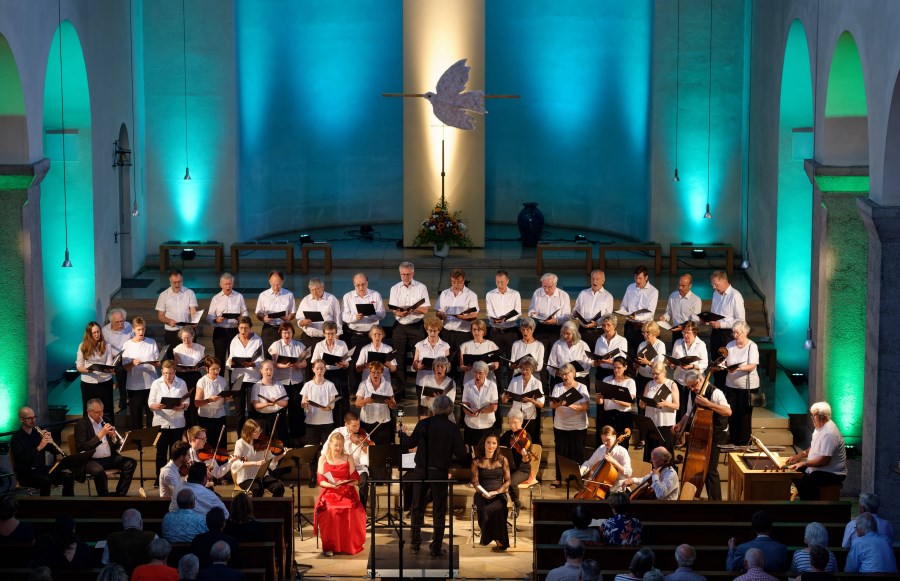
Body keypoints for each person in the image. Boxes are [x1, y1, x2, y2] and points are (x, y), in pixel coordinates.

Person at [400, 394, 469, 558]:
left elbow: (410, 444)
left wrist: (401, 434)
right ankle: (436, 548)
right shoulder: (452, 428)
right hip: (439, 473)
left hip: (421, 471)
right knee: (439, 510)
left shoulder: (423, 423)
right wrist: (465, 449)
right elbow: (460, 454)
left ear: (434, 408)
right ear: (450, 409)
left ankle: (415, 544)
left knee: (417, 508)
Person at [671, 370, 731, 499]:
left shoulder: (715, 392)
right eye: (689, 387)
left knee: (710, 470)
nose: (692, 389)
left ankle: (716, 502)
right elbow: (688, 413)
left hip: (716, 434)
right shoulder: (692, 394)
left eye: (693, 385)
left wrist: (708, 404)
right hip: (701, 433)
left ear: (700, 380)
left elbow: (728, 411)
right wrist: (680, 424)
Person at [315, 432, 366, 556]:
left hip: (347, 492)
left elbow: (355, 479)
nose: (338, 448)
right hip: (329, 492)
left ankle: (348, 545)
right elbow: (321, 481)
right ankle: (330, 546)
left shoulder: (348, 457)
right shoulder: (323, 458)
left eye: (341, 446)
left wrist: (346, 482)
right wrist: (332, 485)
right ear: (330, 445)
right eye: (336, 445)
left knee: (349, 508)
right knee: (330, 510)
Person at [74, 398, 136, 496]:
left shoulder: (107, 420)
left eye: (102, 411)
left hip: (109, 458)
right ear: (89, 412)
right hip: (91, 460)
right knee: (98, 471)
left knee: (130, 463)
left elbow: (115, 446)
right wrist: (100, 435)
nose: (100, 415)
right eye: (97, 412)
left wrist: (114, 437)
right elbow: (82, 447)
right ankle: (104, 498)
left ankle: (119, 496)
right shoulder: (81, 424)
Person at [786, 401, 847, 500]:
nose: (812, 419)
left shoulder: (829, 433)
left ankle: (813, 507)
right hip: (820, 469)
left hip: (832, 473)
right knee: (793, 471)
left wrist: (803, 463)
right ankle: (806, 500)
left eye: (814, 416)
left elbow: (824, 460)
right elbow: (814, 447)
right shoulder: (820, 427)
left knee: (805, 482)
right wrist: (799, 456)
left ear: (823, 416)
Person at [10, 406, 74, 496]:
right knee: (45, 481)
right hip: (26, 473)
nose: (33, 420)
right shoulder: (16, 438)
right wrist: (39, 447)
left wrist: (51, 441)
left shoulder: (37, 433)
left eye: (34, 417)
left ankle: (67, 505)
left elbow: (55, 452)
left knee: (68, 477)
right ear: (21, 419)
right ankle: (44, 508)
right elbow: (22, 460)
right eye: (29, 418)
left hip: (41, 469)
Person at [388, 261, 430, 394]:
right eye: (403, 274)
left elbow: (425, 309)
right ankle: (400, 390)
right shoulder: (395, 288)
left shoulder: (421, 287)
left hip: (416, 326)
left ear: (413, 273)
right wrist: (399, 312)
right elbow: (393, 309)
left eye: (408, 274)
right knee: (398, 358)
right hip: (400, 326)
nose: (405, 277)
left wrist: (413, 309)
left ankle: (422, 390)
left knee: (419, 358)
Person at [341, 272, 385, 389]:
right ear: (354, 285)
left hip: (372, 336)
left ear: (367, 283)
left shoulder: (375, 295)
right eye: (358, 285)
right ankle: (355, 390)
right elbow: (344, 317)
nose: (361, 288)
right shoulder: (348, 297)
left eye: (363, 284)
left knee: (373, 363)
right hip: (355, 335)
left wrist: (371, 315)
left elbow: (382, 313)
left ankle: (375, 388)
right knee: (356, 363)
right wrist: (355, 317)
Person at [548, 363, 590, 488]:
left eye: (567, 374)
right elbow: (552, 405)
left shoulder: (582, 387)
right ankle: (559, 478)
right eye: (562, 375)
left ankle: (579, 478)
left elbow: (585, 407)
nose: (565, 377)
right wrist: (558, 404)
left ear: (573, 373)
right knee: (560, 452)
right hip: (561, 425)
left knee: (578, 453)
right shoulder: (557, 387)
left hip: (578, 426)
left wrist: (568, 405)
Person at [719, 320, 759, 445]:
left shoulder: (752, 346)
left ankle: (743, 443)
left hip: (747, 387)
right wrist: (722, 365)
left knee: (744, 416)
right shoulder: (730, 344)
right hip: (731, 385)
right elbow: (725, 360)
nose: (735, 335)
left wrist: (738, 368)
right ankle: (731, 440)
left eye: (737, 333)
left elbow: (752, 365)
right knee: (731, 414)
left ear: (745, 333)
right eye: (734, 333)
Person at [149, 360, 189, 484]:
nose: (168, 376)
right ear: (162, 371)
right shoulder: (156, 383)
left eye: (171, 373)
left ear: (174, 371)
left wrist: (181, 406)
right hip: (161, 423)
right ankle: (159, 479)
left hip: (177, 423)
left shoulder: (181, 383)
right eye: (165, 373)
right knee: (160, 452)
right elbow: (150, 403)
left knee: (176, 453)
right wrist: (157, 406)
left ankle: (176, 477)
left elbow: (187, 401)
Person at [301, 359, 339, 483]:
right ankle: (313, 476)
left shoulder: (330, 385)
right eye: (317, 368)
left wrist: (327, 407)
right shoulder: (308, 385)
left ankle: (328, 477)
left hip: (326, 422)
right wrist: (305, 404)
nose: (319, 371)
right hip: (311, 423)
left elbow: (332, 404)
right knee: (313, 452)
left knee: (327, 451)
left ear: (325, 370)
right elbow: (303, 403)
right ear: (313, 369)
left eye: (322, 368)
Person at [269, 322, 308, 445]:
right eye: (284, 332)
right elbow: (274, 363)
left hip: (296, 381)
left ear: (292, 333)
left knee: (296, 410)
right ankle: (283, 440)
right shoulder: (276, 345)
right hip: (281, 382)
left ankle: (298, 437)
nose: (287, 335)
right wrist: (283, 366)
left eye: (289, 332)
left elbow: (305, 363)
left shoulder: (299, 345)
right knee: (281, 411)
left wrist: (298, 365)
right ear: (281, 333)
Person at [471, 433, 511, 551]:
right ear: (484, 443)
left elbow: (508, 481)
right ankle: (493, 537)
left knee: (497, 509)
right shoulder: (476, 461)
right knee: (485, 509)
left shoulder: (503, 460)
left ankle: (499, 538)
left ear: (497, 445)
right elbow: (475, 481)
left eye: (494, 443)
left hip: (498, 494)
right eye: (488, 442)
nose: (490, 445)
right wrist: (482, 493)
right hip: (481, 494)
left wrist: (497, 492)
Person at [435, 268, 480, 367]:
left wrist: (461, 316)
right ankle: (449, 381)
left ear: (463, 281)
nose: (455, 284)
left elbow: (474, 315)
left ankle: (462, 382)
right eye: (453, 282)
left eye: (458, 282)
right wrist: (440, 315)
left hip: (462, 333)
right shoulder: (445, 293)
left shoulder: (471, 295)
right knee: (447, 361)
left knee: (462, 361)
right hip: (447, 332)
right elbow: (438, 311)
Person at [708, 270, 746, 386]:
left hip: (728, 334)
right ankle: (717, 390)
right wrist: (709, 319)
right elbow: (715, 312)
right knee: (716, 363)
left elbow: (741, 321)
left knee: (726, 364)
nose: (714, 287)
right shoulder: (716, 294)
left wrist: (722, 324)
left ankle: (727, 393)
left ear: (725, 281)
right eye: (713, 285)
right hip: (716, 333)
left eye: (716, 285)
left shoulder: (735, 296)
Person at [122, 316, 160, 428]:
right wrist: (132, 363)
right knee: (135, 416)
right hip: (134, 386)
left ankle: (151, 440)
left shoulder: (151, 342)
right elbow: (125, 368)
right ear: (133, 330)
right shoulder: (127, 345)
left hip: (151, 384)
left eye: (143, 329)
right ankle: (137, 440)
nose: (141, 332)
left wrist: (155, 363)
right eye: (138, 329)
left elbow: (158, 363)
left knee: (151, 415)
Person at [486, 269, 522, 390]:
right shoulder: (490, 294)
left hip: (511, 331)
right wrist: (494, 319)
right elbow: (489, 312)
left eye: (502, 282)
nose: (499, 285)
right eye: (497, 282)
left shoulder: (515, 294)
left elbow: (517, 312)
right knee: (496, 361)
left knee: (513, 361)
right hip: (495, 332)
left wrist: (505, 319)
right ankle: (497, 388)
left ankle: (512, 389)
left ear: (507, 281)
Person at [231, 419, 286, 497]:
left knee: (279, 487)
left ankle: (275, 508)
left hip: (262, 476)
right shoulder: (240, 443)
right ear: (248, 432)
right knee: (257, 489)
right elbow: (236, 463)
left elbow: (271, 461)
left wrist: (282, 455)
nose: (259, 434)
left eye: (260, 430)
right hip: (246, 478)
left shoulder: (263, 443)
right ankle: (256, 509)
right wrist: (256, 463)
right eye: (256, 432)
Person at [329, 412, 372, 509]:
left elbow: (365, 459)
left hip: (358, 468)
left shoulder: (363, 435)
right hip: (340, 466)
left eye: (358, 425)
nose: (357, 428)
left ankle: (362, 509)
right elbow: (326, 450)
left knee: (364, 481)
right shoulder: (337, 432)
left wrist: (364, 449)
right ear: (346, 424)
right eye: (354, 426)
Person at [206, 272, 248, 371]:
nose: (228, 286)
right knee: (219, 359)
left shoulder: (239, 297)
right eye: (225, 284)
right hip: (220, 331)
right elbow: (209, 317)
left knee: (233, 359)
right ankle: (219, 384)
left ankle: (232, 384)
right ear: (220, 284)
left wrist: (241, 319)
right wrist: (216, 320)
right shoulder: (216, 298)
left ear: (232, 284)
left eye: (229, 283)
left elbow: (245, 313)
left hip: (234, 331)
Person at [227, 315, 263, 429]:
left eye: (246, 328)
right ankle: (240, 438)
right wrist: (230, 363)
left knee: (252, 410)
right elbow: (229, 359)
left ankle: (253, 437)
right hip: (238, 378)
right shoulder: (234, 340)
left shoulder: (257, 340)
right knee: (239, 411)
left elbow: (261, 360)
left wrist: (253, 364)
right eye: (241, 327)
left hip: (253, 378)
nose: (243, 330)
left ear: (250, 328)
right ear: (238, 327)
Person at [499, 410, 541, 506]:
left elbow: (526, 460)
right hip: (508, 468)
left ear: (521, 422)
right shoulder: (507, 434)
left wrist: (524, 456)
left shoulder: (526, 437)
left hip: (522, 469)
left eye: (515, 423)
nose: (512, 425)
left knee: (511, 481)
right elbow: (498, 445)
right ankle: (501, 502)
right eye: (510, 422)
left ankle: (516, 504)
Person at [638, 362, 679, 460]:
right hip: (652, 423)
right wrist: (642, 403)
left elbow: (677, 406)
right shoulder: (649, 384)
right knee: (652, 451)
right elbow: (642, 405)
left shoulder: (671, 384)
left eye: (656, 374)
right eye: (652, 374)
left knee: (665, 452)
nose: (654, 376)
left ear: (664, 372)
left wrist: (665, 404)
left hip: (665, 423)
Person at [311, 321, 350, 420]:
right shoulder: (319, 345)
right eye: (328, 333)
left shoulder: (342, 344)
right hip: (325, 375)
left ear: (336, 332)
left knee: (340, 402)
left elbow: (347, 363)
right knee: (327, 401)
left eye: (332, 333)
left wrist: (344, 364)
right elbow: (314, 362)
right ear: (324, 333)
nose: (330, 336)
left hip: (339, 374)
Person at [668, 320, 708, 418]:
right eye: (684, 332)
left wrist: (693, 366)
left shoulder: (701, 344)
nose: (685, 335)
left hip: (693, 383)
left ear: (694, 332)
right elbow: (673, 360)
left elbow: (704, 364)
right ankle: (678, 430)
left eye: (688, 333)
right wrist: (671, 364)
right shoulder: (678, 342)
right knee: (679, 409)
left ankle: (689, 431)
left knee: (690, 410)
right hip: (679, 380)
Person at [502, 356, 544, 445]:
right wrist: (504, 399)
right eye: (522, 369)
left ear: (532, 370)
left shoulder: (537, 383)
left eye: (527, 370)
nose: (524, 372)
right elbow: (506, 397)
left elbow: (541, 404)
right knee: (516, 441)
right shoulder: (515, 380)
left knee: (529, 440)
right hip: (516, 416)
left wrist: (532, 401)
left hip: (529, 417)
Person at [76, 321, 115, 416]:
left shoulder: (107, 345)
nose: (97, 334)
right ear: (89, 334)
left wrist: (108, 369)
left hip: (105, 381)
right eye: (94, 333)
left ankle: (107, 430)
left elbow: (109, 363)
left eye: (98, 331)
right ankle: (90, 430)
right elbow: (79, 366)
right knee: (90, 411)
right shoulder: (82, 346)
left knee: (107, 410)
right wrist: (87, 370)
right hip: (89, 382)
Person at [595, 356, 635, 449]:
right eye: (614, 367)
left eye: (619, 368)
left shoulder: (630, 382)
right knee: (608, 444)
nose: (616, 370)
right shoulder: (607, 380)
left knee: (622, 445)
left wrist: (614, 399)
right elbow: (601, 402)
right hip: (608, 415)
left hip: (623, 416)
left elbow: (628, 403)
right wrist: (598, 399)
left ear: (625, 367)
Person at [529, 273, 572, 359]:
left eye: (549, 287)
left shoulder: (563, 295)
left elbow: (567, 316)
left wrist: (556, 320)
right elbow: (531, 308)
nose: (546, 289)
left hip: (557, 329)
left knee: (555, 356)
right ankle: (542, 372)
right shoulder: (537, 292)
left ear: (555, 284)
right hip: (541, 328)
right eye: (544, 286)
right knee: (540, 356)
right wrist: (532, 313)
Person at [619, 266, 658, 359]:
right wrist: (623, 312)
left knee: (642, 355)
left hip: (644, 328)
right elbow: (623, 305)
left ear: (646, 277)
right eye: (636, 278)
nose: (637, 281)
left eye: (640, 278)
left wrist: (636, 318)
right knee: (629, 353)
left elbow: (650, 313)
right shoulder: (630, 287)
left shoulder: (653, 291)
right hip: (630, 325)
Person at [296, 277, 342, 355]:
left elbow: (338, 319)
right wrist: (302, 322)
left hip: (326, 338)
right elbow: (299, 318)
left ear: (323, 287)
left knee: (324, 364)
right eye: (312, 290)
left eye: (317, 289)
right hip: (309, 339)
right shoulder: (305, 300)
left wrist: (337, 336)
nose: (314, 292)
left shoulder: (331, 299)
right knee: (308, 363)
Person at [580, 425, 632, 494]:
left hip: (617, 488)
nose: (605, 443)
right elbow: (589, 463)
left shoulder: (622, 451)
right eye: (603, 440)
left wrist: (614, 462)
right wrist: (581, 470)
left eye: (608, 440)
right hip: (600, 486)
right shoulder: (601, 449)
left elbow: (628, 473)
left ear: (614, 437)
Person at [255, 269, 296, 357]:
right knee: (268, 355)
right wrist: (263, 318)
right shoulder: (263, 295)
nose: (275, 287)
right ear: (269, 282)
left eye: (278, 284)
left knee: (284, 355)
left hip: (284, 328)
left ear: (282, 282)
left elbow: (293, 313)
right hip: (268, 329)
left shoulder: (289, 295)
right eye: (273, 284)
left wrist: (289, 318)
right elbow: (258, 313)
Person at [355, 361, 396, 445]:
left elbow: (394, 405)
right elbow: (357, 404)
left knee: (383, 449)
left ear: (382, 373)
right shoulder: (363, 385)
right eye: (373, 372)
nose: (375, 375)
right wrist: (365, 401)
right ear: (370, 372)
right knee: (368, 449)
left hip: (383, 423)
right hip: (367, 423)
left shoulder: (387, 385)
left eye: (378, 372)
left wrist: (390, 403)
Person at [156, 269, 199, 349]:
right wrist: (168, 321)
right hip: (172, 332)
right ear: (170, 281)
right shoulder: (163, 295)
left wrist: (194, 320)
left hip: (188, 330)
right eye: (174, 282)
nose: (177, 284)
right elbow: (160, 315)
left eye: (179, 281)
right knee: (172, 358)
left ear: (182, 280)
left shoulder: (189, 293)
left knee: (191, 357)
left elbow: (193, 310)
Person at [573, 269, 614, 351]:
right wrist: (574, 314)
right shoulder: (583, 293)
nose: (594, 281)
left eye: (597, 279)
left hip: (598, 332)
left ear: (603, 281)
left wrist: (596, 323)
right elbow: (576, 309)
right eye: (593, 279)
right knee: (581, 354)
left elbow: (608, 317)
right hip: (583, 331)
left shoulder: (608, 296)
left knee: (596, 355)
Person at [102, 307, 133, 414]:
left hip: (128, 355)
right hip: (114, 357)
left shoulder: (129, 326)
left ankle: (138, 395)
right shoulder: (105, 331)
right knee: (120, 370)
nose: (121, 324)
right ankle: (123, 397)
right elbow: (105, 349)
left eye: (122, 321)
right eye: (117, 322)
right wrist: (114, 355)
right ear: (111, 322)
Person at [250, 359, 289, 442]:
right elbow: (256, 405)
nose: (269, 372)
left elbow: (285, 403)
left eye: (271, 369)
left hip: (278, 418)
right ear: (261, 371)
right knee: (265, 444)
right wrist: (267, 404)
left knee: (281, 444)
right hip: (264, 419)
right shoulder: (256, 386)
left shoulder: (279, 384)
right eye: (266, 369)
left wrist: (277, 402)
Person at [461, 361, 499, 447]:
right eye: (475, 372)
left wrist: (480, 411)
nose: (477, 375)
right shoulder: (467, 385)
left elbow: (494, 407)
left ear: (486, 374)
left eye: (480, 373)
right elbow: (465, 405)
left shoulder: (492, 385)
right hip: (471, 424)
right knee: (471, 451)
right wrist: (469, 412)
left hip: (487, 425)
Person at [174, 325, 205, 424]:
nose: (186, 340)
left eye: (188, 338)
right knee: (186, 402)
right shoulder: (177, 349)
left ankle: (196, 424)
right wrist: (183, 369)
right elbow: (176, 366)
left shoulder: (199, 348)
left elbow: (204, 363)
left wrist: (200, 366)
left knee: (195, 402)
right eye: (184, 339)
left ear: (192, 336)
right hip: (183, 377)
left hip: (196, 376)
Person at [195, 357, 231, 440]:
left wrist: (227, 399)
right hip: (206, 418)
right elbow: (197, 403)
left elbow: (223, 399)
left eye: (218, 369)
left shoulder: (222, 380)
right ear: (207, 369)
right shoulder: (202, 381)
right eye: (213, 369)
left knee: (221, 444)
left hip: (220, 416)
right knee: (208, 445)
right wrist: (209, 400)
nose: (216, 371)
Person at [547, 321, 593, 388]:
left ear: (574, 333)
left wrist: (573, 375)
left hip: (578, 378)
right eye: (563, 333)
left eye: (568, 334)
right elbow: (551, 364)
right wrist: (559, 373)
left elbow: (587, 365)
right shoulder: (557, 344)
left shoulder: (583, 345)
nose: (565, 336)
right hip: (560, 378)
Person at [659, 274, 702, 345]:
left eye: (683, 286)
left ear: (690, 286)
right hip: (676, 332)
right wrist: (664, 317)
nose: (680, 288)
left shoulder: (696, 300)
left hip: (689, 333)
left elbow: (695, 321)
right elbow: (669, 312)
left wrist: (683, 327)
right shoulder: (673, 296)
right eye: (679, 285)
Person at [634, 321, 667, 403]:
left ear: (654, 333)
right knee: (640, 402)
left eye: (648, 333)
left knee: (651, 403)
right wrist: (636, 364)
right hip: (641, 377)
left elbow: (659, 365)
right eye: (644, 333)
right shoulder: (642, 344)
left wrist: (648, 363)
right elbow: (639, 360)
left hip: (654, 379)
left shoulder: (660, 345)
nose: (645, 335)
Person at [459, 319, 500, 385]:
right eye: (474, 330)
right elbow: (461, 366)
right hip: (470, 380)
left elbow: (496, 365)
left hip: (487, 380)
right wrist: (467, 368)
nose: (476, 332)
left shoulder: (491, 345)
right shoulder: (464, 346)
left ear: (483, 331)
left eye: (479, 330)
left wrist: (484, 369)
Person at [413, 316, 451, 385]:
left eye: (435, 331)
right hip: (423, 381)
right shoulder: (419, 345)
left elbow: (448, 366)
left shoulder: (445, 346)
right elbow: (414, 365)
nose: (432, 333)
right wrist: (417, 366)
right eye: (430, 330)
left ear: (439, 330)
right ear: (426, 330)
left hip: (439, 382)